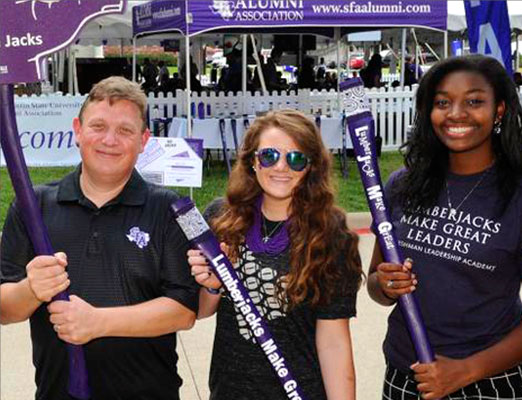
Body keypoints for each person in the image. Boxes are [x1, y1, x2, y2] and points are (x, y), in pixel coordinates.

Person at [368, 55, 522, 400]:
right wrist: (385, 285)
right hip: (408, 375)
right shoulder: (401, 186)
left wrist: (465, 371)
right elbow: (375, 286)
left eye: (474, 101)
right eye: (443, 102)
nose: (456, 113)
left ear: (499, 110)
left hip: (493, 382)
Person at [0, 76, 200, 400]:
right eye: (98, 126)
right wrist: (31, 289)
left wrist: (97, 322)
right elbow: (5, 309)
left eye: (125, 130)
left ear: (144, 140)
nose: (110, 140)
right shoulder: (32, 206)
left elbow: (185, 311)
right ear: (78, 130)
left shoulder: (170, 209)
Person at [187, 110, 362, 399]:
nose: (281, 167)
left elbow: (333, 342)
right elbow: (200, 310)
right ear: (252, 161)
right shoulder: (221, 218)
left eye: (296, 159)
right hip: (229, 392)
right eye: (269, 156)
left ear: (311, 167)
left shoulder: (331, 236)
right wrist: (213, 284)